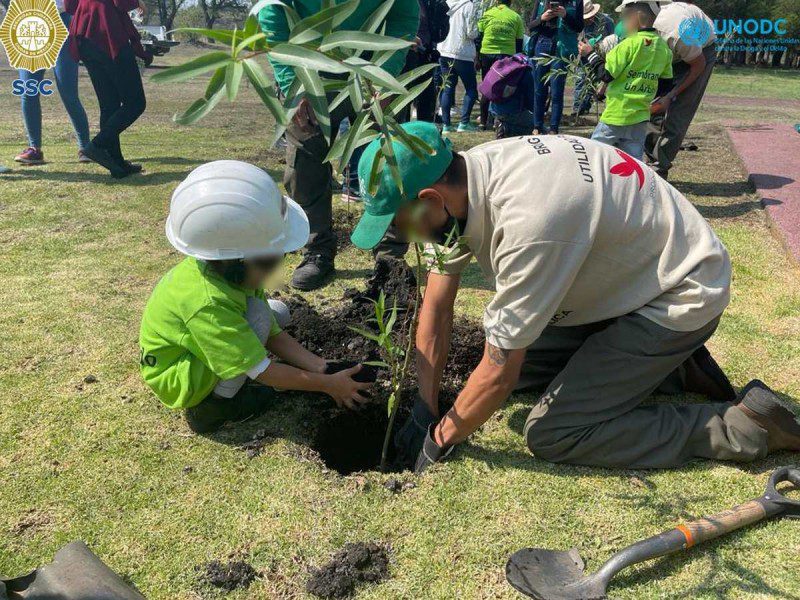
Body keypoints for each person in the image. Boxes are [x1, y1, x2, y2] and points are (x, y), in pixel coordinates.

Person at [350, 122, 800, 473]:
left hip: (677, 293)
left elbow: (499, 374)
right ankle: (669, 370)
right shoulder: (464, 174)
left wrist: (440, 439)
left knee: (554, 431)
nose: (398, 235)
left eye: (396, 223)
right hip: (625, 275)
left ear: (430, 198)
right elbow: (437, 307)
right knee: (516, 373)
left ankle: (746, 426)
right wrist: (424, 408)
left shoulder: (529, 223)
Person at [139, 161, 375, 434]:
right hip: (179, 376)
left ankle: (226, 383)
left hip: (195, 347)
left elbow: (273, 332)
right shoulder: (208, 303)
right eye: (269, 261)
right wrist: (327, 386)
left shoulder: (227, 270)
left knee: (274, 313)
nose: (276, 268)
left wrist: (322, 367)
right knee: (259, 319)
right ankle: (215, 406)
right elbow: (262, 371)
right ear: (236, 261)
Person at [258, 0, 419, 291]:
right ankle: (317, 250)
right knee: (304, 165)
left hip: (371, 66)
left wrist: (387, 73)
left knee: (387, 159)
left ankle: (389, 253)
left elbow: (404, 16)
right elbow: (273, 16)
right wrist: (293, 82)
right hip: (307, 67)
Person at [65, 0, 150, 178]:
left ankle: (116, 164)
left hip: (84, 30)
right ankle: (97, 145)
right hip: (107, 28)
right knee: (135, 103)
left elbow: (70, 6)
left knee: (109, 104)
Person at [589, 0, 672, 160]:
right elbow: (665, 85)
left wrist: (590, 55)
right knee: (632, 162)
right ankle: (631, 185)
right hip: (640, 118)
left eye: (624, 18)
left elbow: (606, 75)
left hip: (616, 115)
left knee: (595, 154)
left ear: (635, 17)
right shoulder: (664, 49)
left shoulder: (626, 46)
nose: (622, 23)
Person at [13, 0, 91, 166]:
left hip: (61, 23)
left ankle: (86, 147)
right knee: (29, 91)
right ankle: (34, 149)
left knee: (68, 93)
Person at [645, 0, 717, 179]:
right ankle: (649, 160)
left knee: (678, 112)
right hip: (674, 52)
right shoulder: (630, 29)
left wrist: (671, 95)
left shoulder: (675, 31)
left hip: (701, 54)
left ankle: (658, 169)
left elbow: (697, 64)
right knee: (652, 106)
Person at [527, 0, 583, 134]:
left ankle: (554, 128)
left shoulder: (576, 2)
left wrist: (565, 16)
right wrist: (542, 18)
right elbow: (531, 25)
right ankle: (537, 126)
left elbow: (579, 27)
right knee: (539, 89)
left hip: (562, 47)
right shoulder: (540, 1)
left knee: (557, 90)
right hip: (543, 44)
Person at [477, 0, 525, 130]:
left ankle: (482, 122)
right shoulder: (516, 17)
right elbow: (519, 42)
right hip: (506, 56)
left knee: (487, 87)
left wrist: (477, 57)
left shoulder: (487, 13)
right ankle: (497, 121)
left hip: (487, 53)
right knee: (502, 90)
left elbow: (479, 37)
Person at [401, 0, 451, 123]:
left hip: (422, 54)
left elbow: (439, 33)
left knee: (423, 97)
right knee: (406, 98)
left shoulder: (429, 4)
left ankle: (423, 133)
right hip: (411, 54)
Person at [437, 0, 480, 133]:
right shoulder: (469, 6)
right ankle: (464, 123)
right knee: (471, 89)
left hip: (444, 50)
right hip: (462, 53)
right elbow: (471, 33)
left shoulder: (447, 3)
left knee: (448, 88)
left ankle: (446, 125)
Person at [572, 0, 614, 117]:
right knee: (581, 80)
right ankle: (577, 109)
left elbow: (613, 39)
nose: (589, 20)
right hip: (583, 57)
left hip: (599, 57)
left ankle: (586, 107)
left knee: (595, 83)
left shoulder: (607, 21)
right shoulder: (577, 23)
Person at [489, 59, 536, 138]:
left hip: (493, 109)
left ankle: (500, 123)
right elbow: (531, 102)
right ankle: (506, 128)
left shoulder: (505, 66)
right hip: (512, 112)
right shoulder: (527, 72)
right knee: (538, 127)